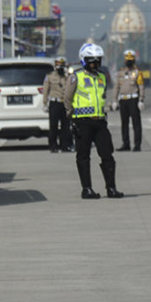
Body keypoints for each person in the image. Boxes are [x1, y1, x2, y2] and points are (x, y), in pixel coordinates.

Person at [63, 42, 124, 200]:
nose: (95, 63)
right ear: (84, 60)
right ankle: (87, 189)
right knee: (83, 155)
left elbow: (102, 97)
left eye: (97, 60)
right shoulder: (75, 77)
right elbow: (67, 99)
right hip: (82, 122)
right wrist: (72, 118)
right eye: (91, 60)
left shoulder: (102, 77)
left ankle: (111, 188)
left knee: (107, 154)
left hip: (100, 122)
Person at [111, 49, 145, 152]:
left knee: (136, 123)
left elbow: (141, 86)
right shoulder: (121, 72)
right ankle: (126, 144)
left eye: (131, 59)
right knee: (124, 123)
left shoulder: (137, 72)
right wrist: (114, 100)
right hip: (123, 100)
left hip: (133, 99)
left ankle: (137, 145)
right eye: (127, 59)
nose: (129, 61)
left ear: (134, 60)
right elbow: (116, 87)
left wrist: (141, 99)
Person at [42, 56, 73, 153]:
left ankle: (65, 145)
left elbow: (71, 89)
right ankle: (53, 146)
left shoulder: (67, 76)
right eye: (58, 65)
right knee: (53, 126)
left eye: (62, 65)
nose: (60, 67)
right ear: (55, 65)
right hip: (54, 103)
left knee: (66, 126)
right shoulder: (50, 76)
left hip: (65, 103)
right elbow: (45, 90)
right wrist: (45, 103)